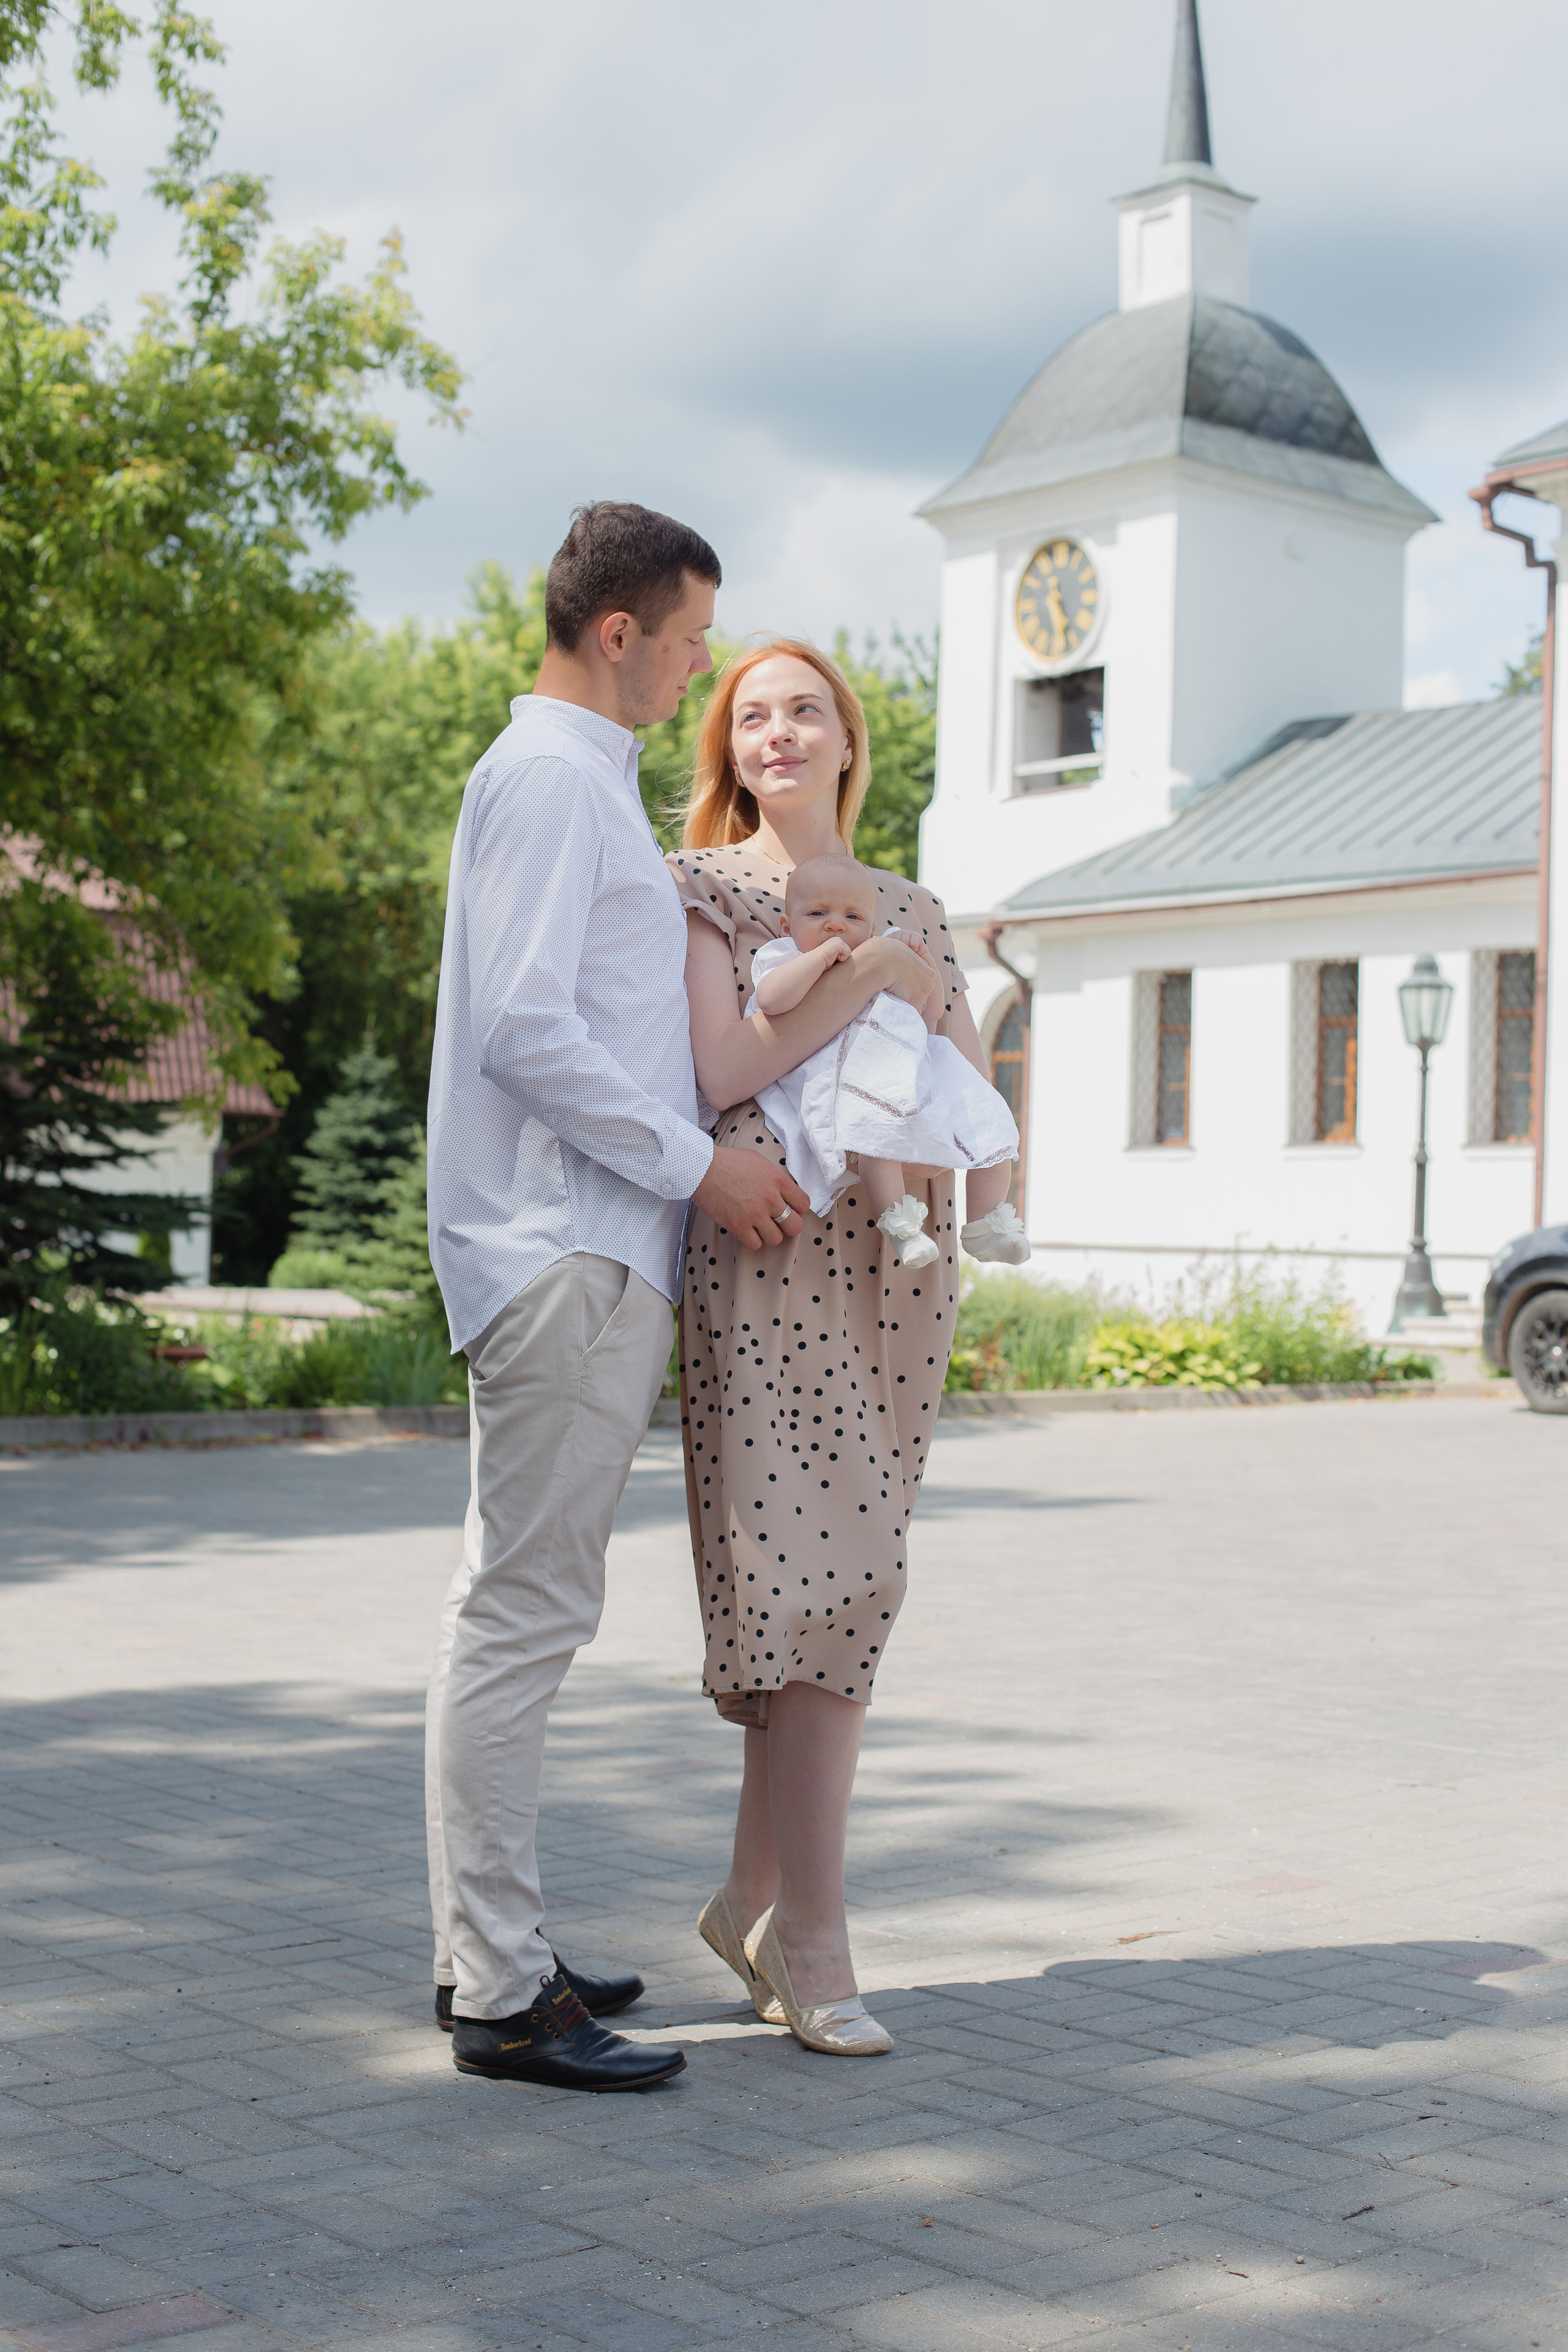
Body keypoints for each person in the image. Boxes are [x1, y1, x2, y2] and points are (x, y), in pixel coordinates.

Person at [422, 502, 829, 2094]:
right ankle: (504, 1995)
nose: (702, 668)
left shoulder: (578, 787)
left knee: (515, 1613)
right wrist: (695, 1166)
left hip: (580, 1249)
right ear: (617, 634)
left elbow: (602, 1014)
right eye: (688, 640)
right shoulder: (548, 782)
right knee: (521, 1619)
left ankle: (491, 1950)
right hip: (564, 1251)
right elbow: (529, 1030)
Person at [668, 638, 994, 2056]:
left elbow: (964, 1088)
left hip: (899, 1267)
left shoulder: (917, 902)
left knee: (836, 1588)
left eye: (805, 709)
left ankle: (751, 1893)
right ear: (726, 749)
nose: (779, 732)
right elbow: (717, 1073)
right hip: (767, 1244)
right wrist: (869, 976)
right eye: (752, 714)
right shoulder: (696, 889)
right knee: (835, 1567)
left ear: (849, 738)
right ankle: (813, 1931)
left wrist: (910, 980)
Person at [746, 849, 1028, 1270]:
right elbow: (770, 1000)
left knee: (988, 1120)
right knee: (876, 1134)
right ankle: (900, 1227)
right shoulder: (784, 957)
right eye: (818, 913)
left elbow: (929, 1013)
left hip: (908, 1065)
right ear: (789, 925)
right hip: (850, 1076)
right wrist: (822, 958)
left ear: (873, 927)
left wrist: (920, 962)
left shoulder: (882, 951)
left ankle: (988, 1222)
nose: (836, 924)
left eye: (853, 918)